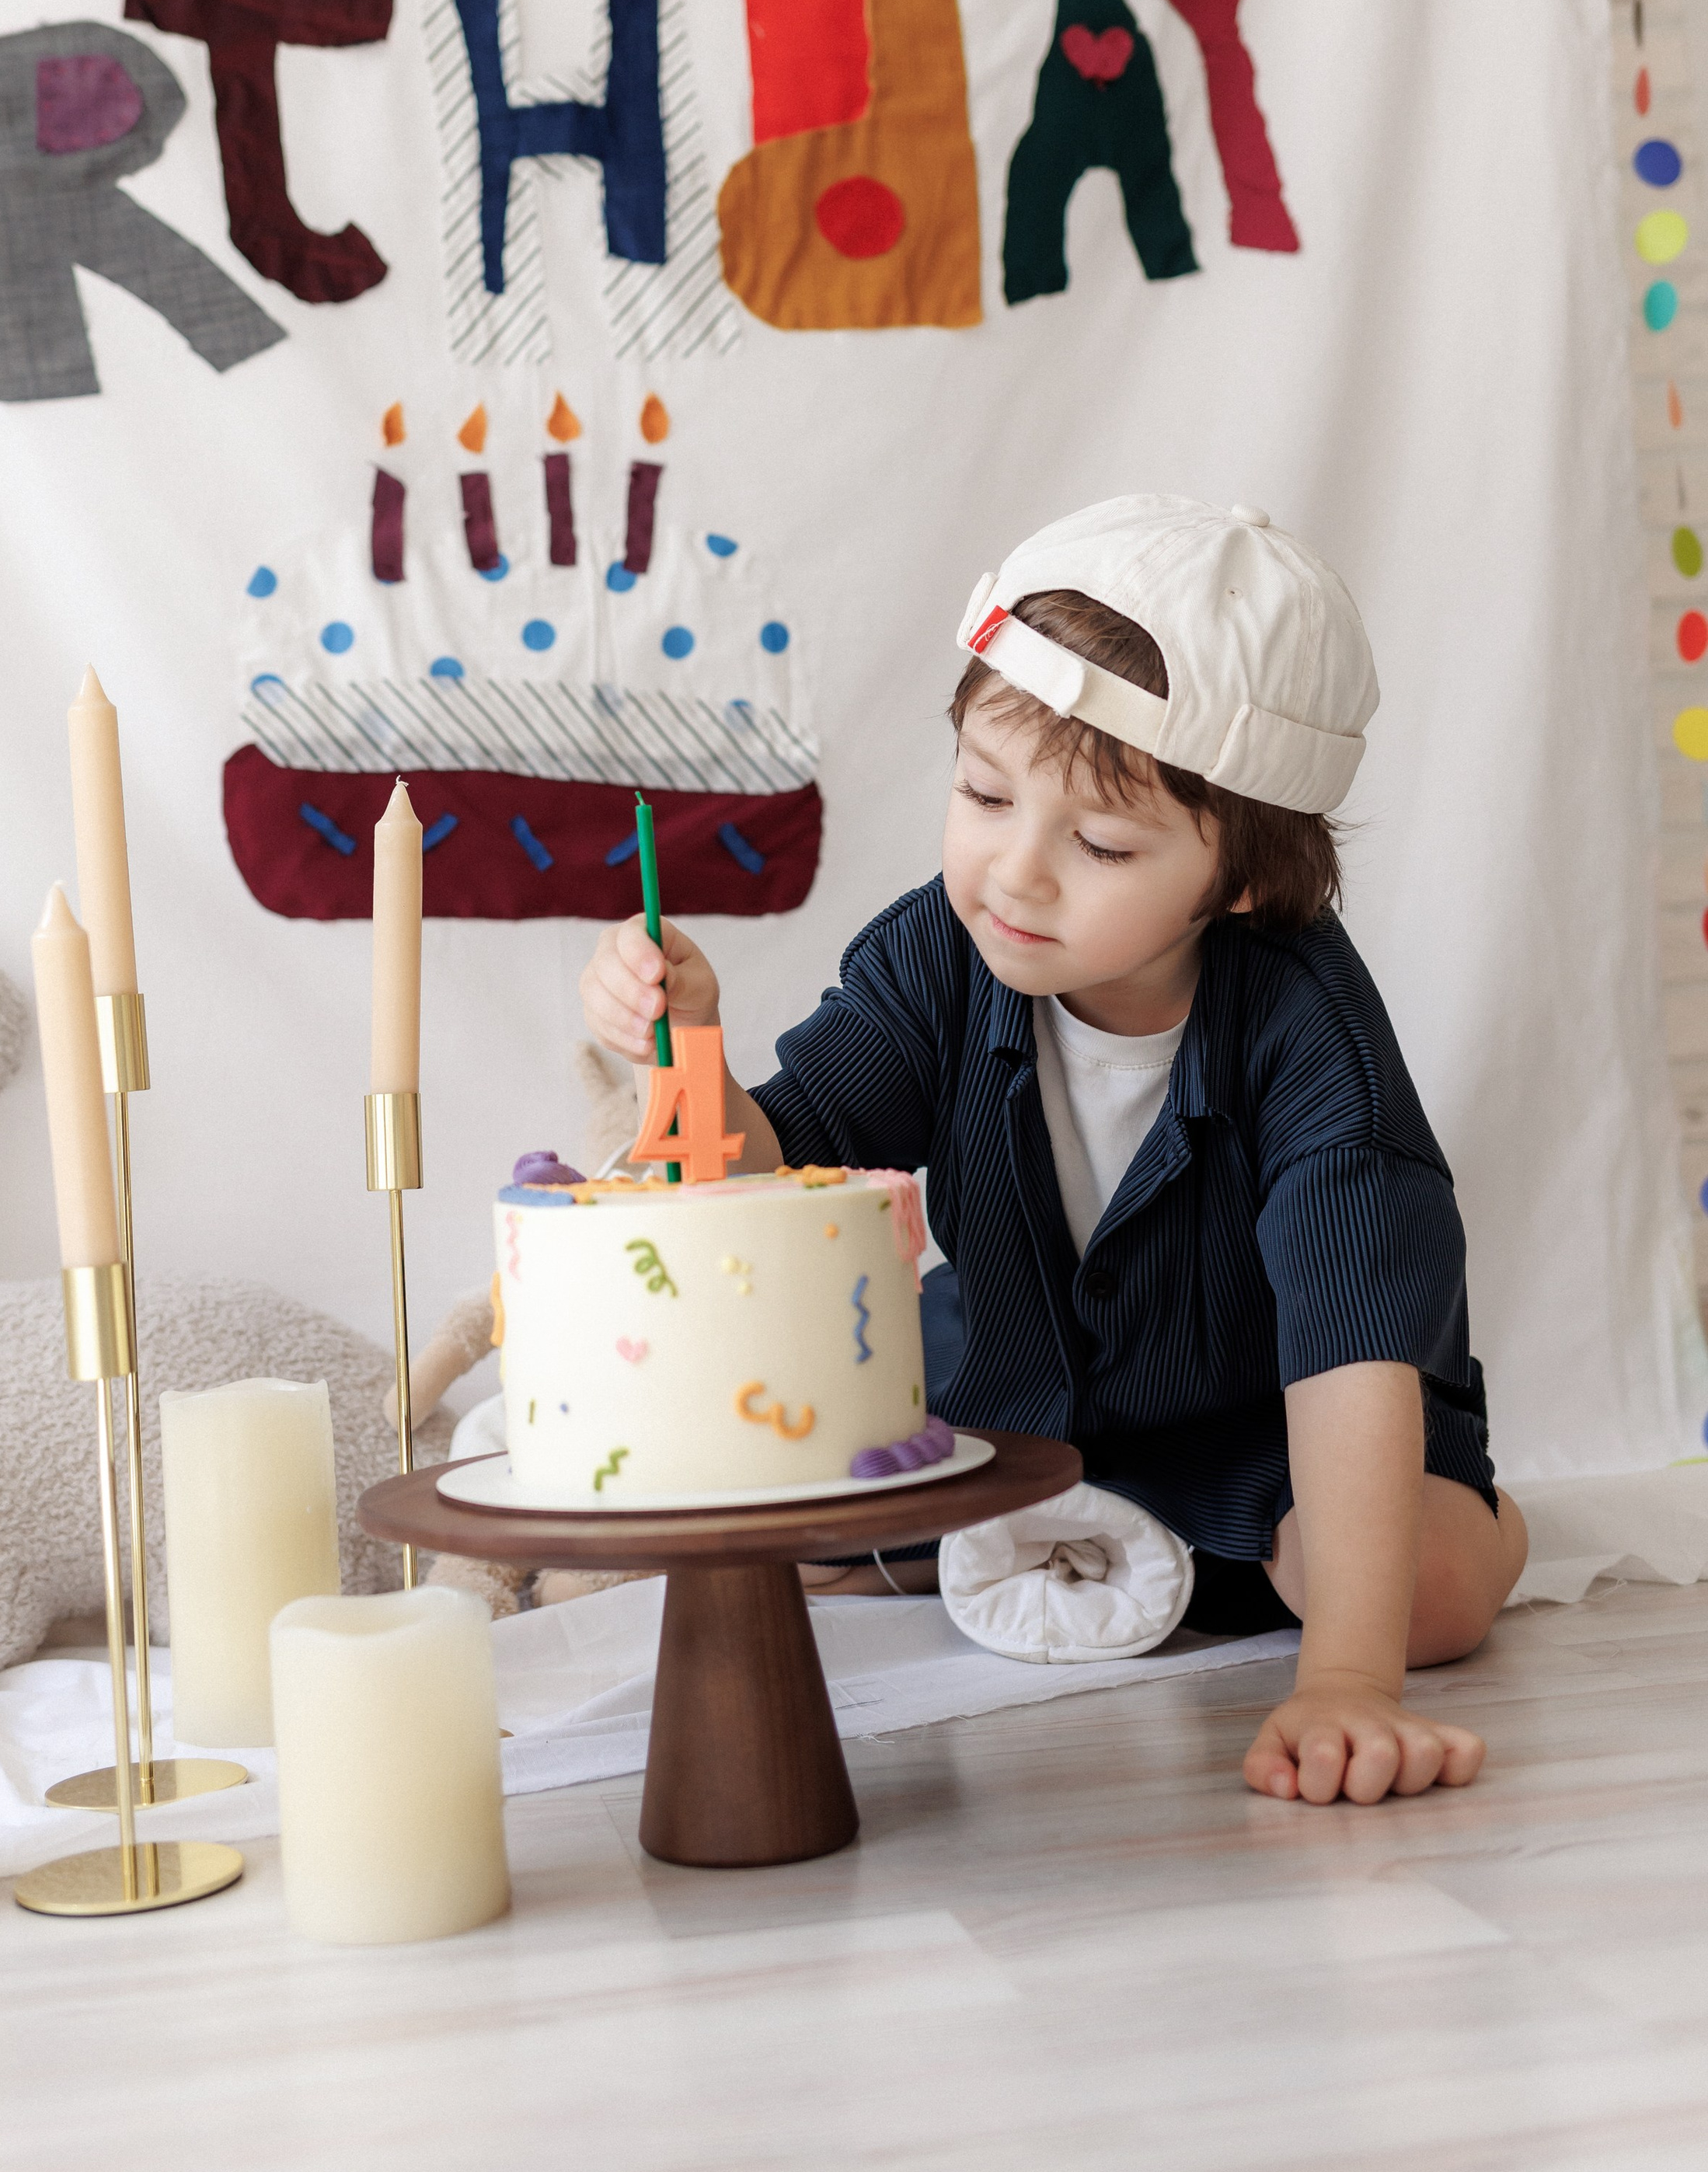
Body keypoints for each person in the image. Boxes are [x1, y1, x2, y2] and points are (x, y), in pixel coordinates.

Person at [580, 494, 1528, 1807]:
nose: (1012, 875)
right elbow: (773, 1159)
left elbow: (1352, 1350)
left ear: (1244, 880)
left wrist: (1348, 1684)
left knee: (1407, 1593)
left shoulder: (1311, 1038)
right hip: (1018, 1416)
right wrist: (687, 1049)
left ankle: (1398, 1537)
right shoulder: (939, 951)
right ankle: (1066, 1534)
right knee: (781, 1528)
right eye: (982, 792)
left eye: (1099, 843)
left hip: (1273, 1431)